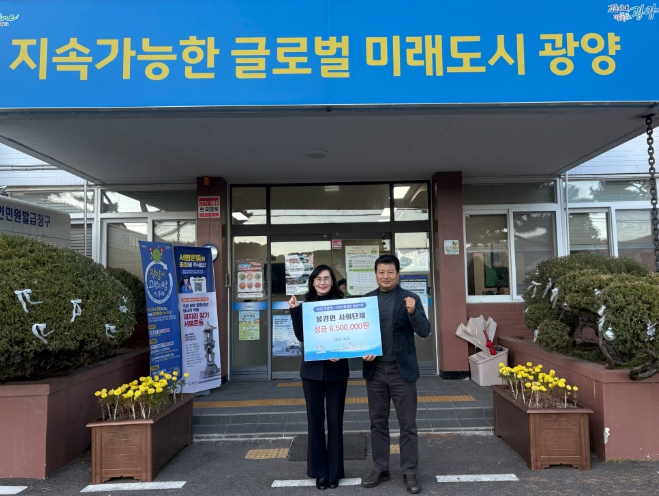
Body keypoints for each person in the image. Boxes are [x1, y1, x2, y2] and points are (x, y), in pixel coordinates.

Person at [361, 254, 430, 495]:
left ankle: (410, 472)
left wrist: (412, 312)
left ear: (398, 274)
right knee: (377, 423)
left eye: (390, 272)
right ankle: (380, 468)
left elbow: (425, 331)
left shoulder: (411, 299)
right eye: (381, 272)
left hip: (402, 371)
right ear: (376, 275)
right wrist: (362, 352)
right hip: (375, 371)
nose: (386, 276)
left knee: (407, 424)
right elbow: (358, 335)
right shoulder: (367, 301)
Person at [289, 264, 349, 490]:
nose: (322, 282)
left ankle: (334, 472)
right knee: (314, 422)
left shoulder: (342, 305)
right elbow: (301, 336)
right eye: (318, 279)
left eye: (326, 278)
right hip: (312, 372)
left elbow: (349, 335)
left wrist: (340, 351)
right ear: (313, 283)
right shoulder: (307, 307)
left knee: (335, 421)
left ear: (332, 282)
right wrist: (294, 310)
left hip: (337, 371)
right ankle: (319, 472)